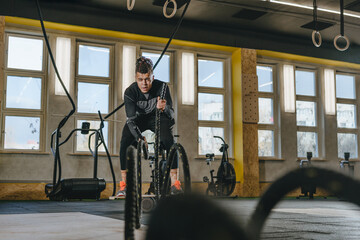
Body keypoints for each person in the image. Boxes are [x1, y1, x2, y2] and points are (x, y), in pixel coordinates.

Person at [117, 56, 182, 197]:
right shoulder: (130, 92)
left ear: (153, 77)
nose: (144, 83)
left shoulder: (162, 87)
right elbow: (130, 120)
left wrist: (164, 108)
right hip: (138, 120)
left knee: (168, 139)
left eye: (147, 79)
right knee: (125, 141)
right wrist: (140, 138)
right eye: (140, 79)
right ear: (136, 78)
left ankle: (175, 184)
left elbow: (171, 115)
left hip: (157, 118)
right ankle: (124, 185)